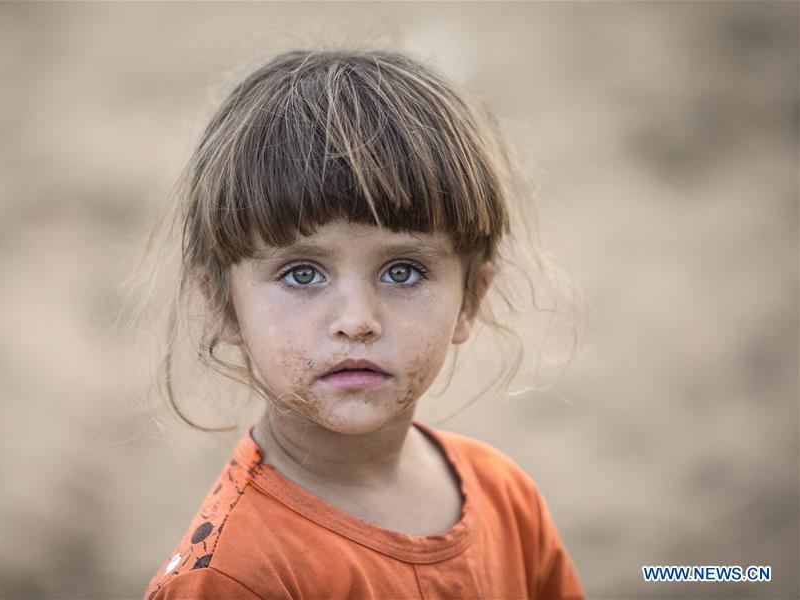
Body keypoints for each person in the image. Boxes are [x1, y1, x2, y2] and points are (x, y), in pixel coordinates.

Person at [142, 49, 585, 599]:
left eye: (403, 270)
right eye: (302, 273)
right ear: (224, 306)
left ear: (470, 298)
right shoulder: (232, 575)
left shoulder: (506, 497)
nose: (356, 321)